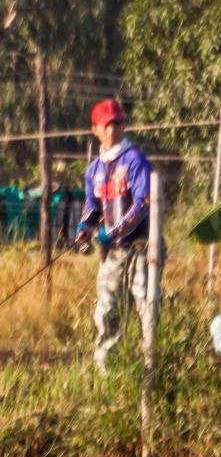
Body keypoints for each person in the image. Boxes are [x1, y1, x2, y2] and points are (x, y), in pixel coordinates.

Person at [74, 99, 161, 373]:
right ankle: (107, 373)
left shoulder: (134, 160)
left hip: (142, 249)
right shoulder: (94, 170)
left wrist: (111, 232)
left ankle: (151, 368)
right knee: (107, 311)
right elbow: (92, 205)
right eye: (107, 124)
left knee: (146, 308)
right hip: (112, 254)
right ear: (95, 130)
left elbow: (143, 204)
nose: (113, 129)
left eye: (118, 123)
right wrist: (85, 229)